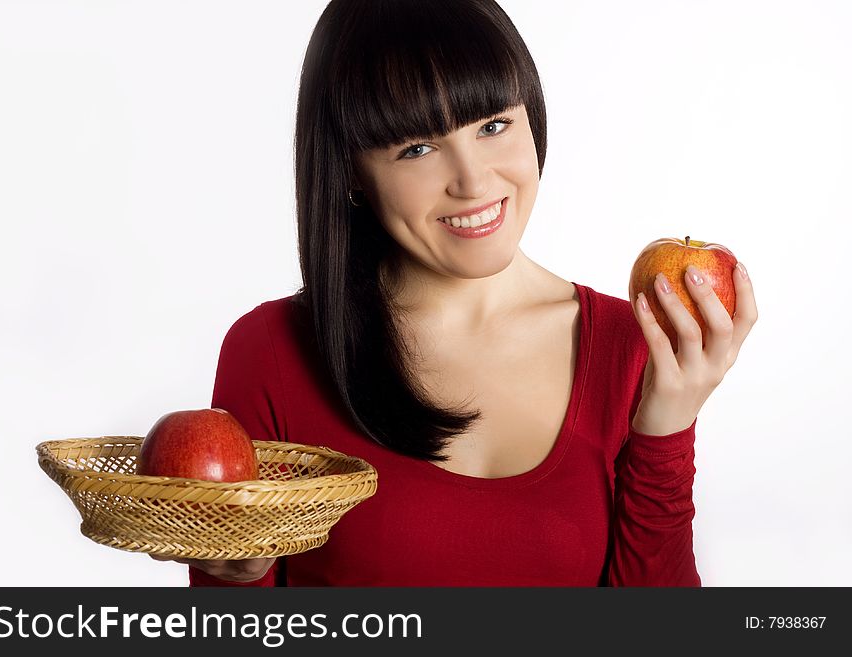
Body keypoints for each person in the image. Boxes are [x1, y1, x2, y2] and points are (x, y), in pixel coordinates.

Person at [152, 0, 758, 586]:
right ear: (352, 174)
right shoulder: (272, 353)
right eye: (417, 148)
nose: (473, 181)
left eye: (494, 125)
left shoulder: (635, 344)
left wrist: (667, 428)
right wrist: (229, 573)